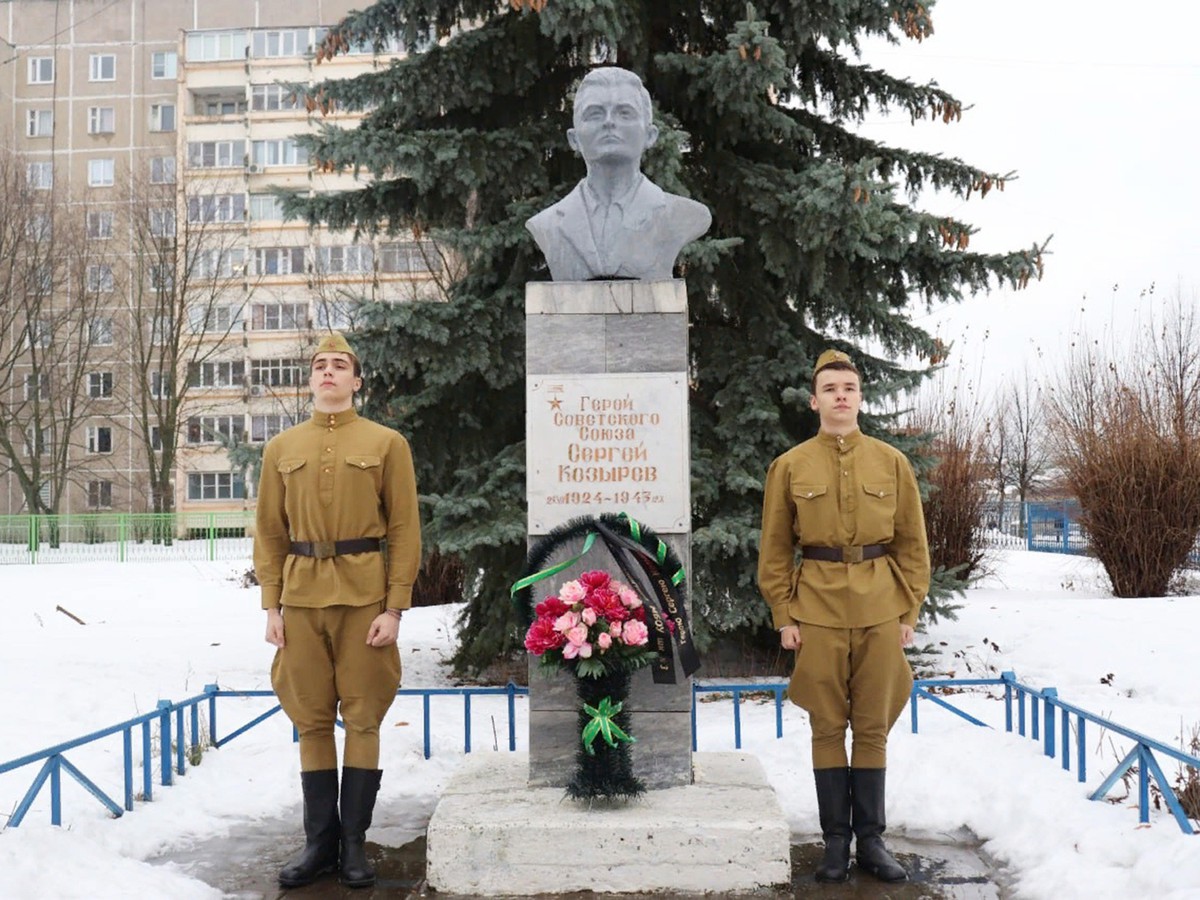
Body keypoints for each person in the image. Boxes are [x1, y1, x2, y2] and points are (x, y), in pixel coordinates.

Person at [253, 332, 421, 889]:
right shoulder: (281, 449)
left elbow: (403, 529)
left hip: (364, 597)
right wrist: (270, 605)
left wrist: (395, 607)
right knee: (312, 719)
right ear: (310, 380)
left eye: (339, 365)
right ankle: (318, 841)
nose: (328, 372)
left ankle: (353, 842)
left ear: (356, 380)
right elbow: (270, 533)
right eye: (319, 365)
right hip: (300, 600)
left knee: (365, 716)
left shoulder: (386, 442)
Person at [757, 349, 930, 884]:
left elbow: (912, 544)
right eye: (830, 388)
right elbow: (776, 551)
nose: (840, 396)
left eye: (849, 388)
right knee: (828, 725)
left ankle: (872, 841)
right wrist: (785, 614)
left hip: (880, 606)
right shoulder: (790, 466)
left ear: (860, 398)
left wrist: (909, 609)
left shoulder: (890, 462)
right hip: (818, 610)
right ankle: (836, 842)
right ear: (815, 400)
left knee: (873, 725)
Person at [526, 66, 711, 281]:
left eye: (625, 113)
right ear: (574, 139)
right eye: (595, 114)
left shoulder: (681, 215)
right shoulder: (548, 224)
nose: (609, 122)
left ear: (650, 135)